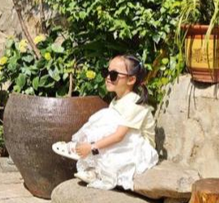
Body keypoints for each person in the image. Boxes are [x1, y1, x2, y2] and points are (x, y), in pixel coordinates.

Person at [52, 55, 158, 190]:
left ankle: (96, 168)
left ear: (131, 80)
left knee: (109, 125)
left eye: (114, 75)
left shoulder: (135, 104)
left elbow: (119, 136)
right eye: (106, 73)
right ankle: (90, 163)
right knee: (105, 119)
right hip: (124, 140)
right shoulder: (117, 100)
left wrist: (92, 147)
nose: (108, 77)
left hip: (140, 149)